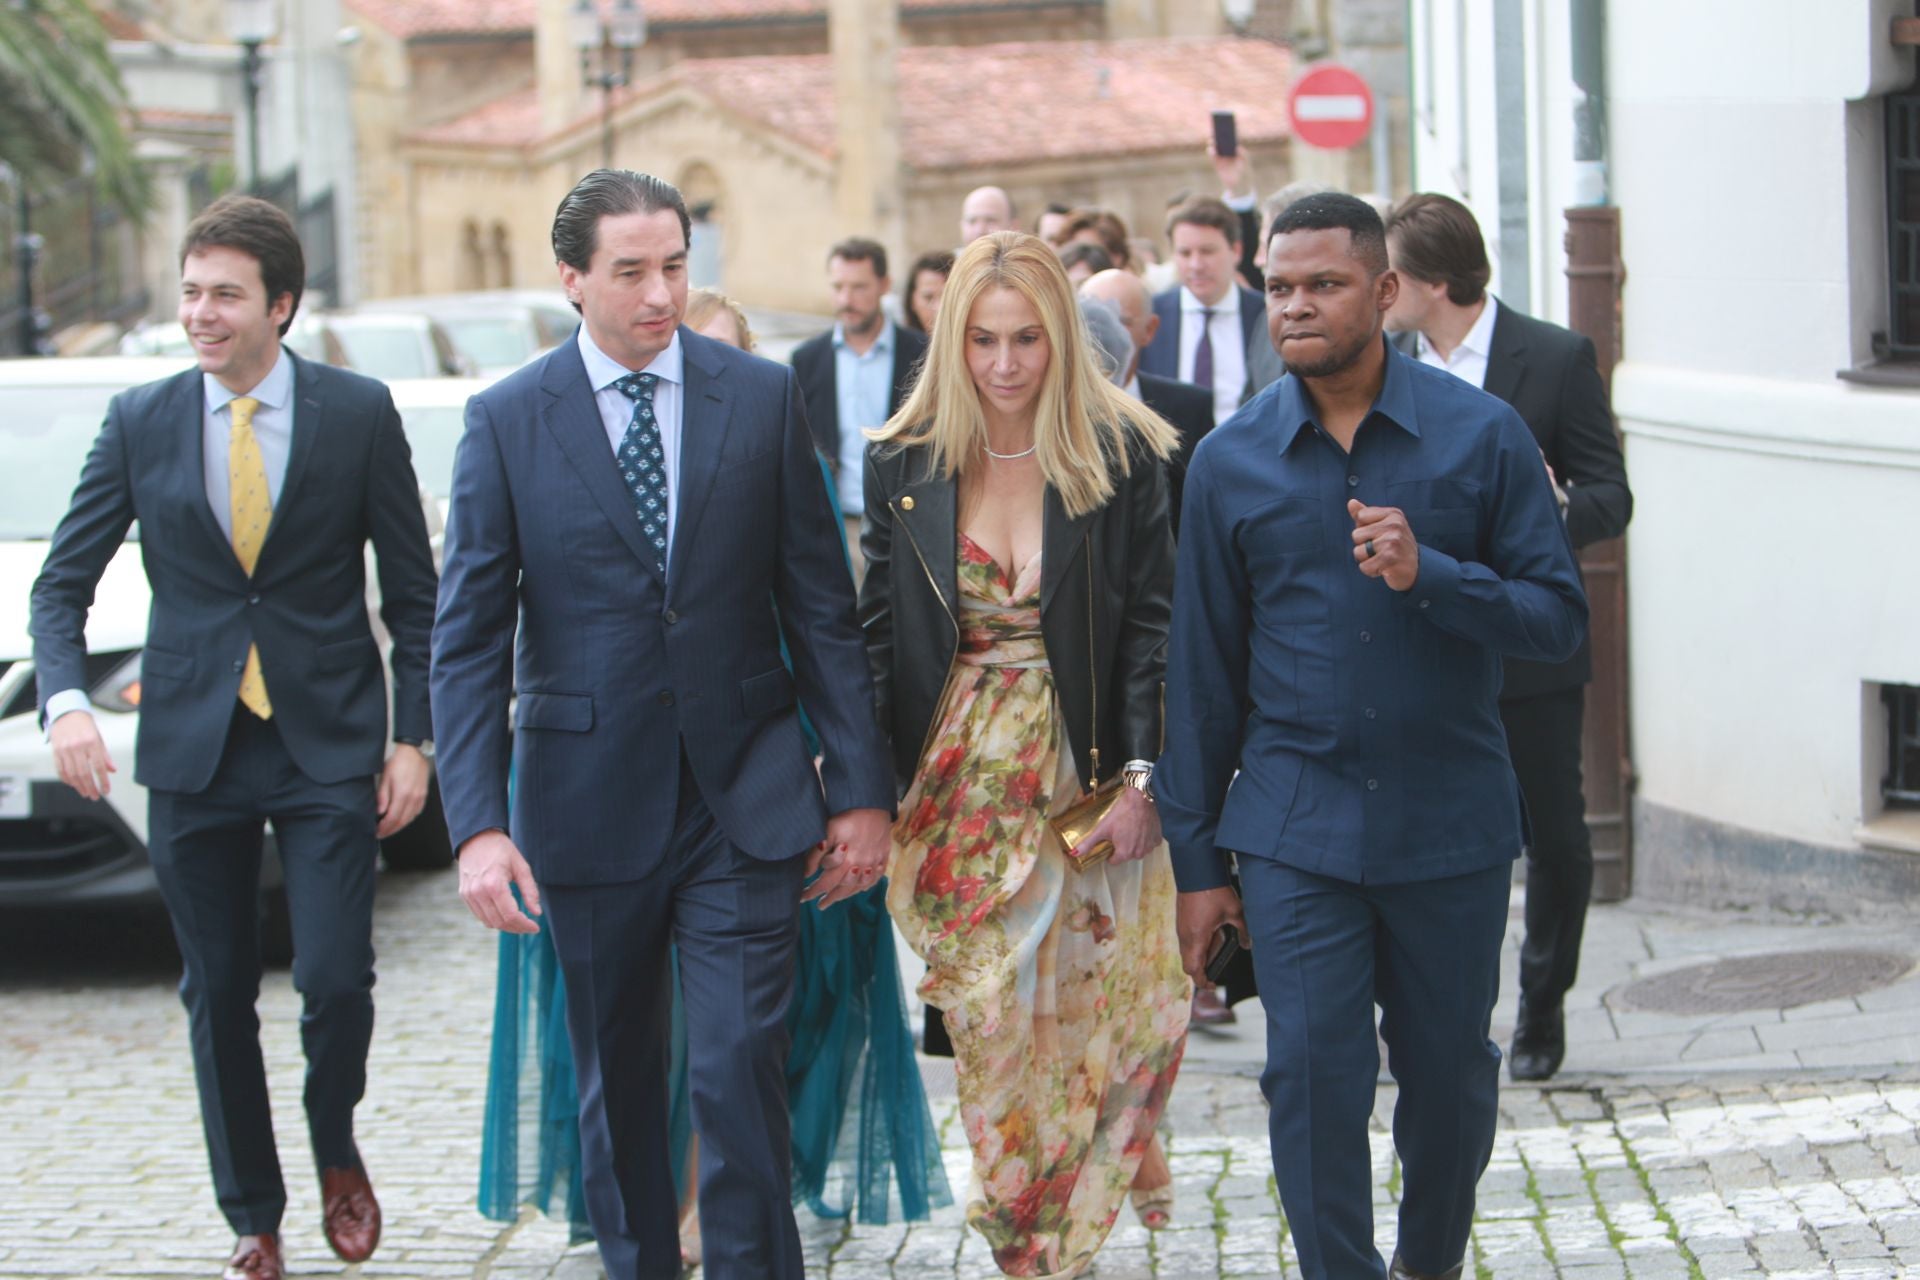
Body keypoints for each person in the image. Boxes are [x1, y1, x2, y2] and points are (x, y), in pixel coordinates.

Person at [432, 169, 897, 1280]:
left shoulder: (759, 392)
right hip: (583, 804)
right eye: (632, 271)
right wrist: (476, 825)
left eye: (675, 266)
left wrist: (863, 789)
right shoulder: (506, 420)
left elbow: (820, 606)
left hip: (747, 793)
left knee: (738, 1068)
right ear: (572, 279)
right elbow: (467, 637)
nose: (660, 293)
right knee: (619, 1081)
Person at [1156, 193, 1588, 1280]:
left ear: (1385, 292)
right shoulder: (1228, 460)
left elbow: (1557, 616)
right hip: (1297, 826)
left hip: (1450, 821)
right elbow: (1200, 676)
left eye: (1324, 284)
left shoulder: (1481, 435)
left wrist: (1430, 572)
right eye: (1280, 286)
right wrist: (1198, 865)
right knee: (1307, 1072)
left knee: (1449, 1076)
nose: (1294, 306)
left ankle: (1427, 1266)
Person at [29, 194, 438, 1280]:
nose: (199, 314)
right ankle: (253, 1217)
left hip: (328, 740)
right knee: (215, 989)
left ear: (281, 305)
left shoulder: (357, 413)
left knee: (339, 976)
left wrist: (417, 738)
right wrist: (66, 701)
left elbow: (416, 594)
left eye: (224, 294)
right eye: (190, 292)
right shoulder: (141, 418)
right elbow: (60, 584)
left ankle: (335, 1140)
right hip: (193, 749)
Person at [861, 231, 1192, 1276]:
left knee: (1092, 1009)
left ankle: (1054, 1247)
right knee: (994, 1021)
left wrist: (1143, 775)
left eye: (1028, 340)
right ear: (949, 338)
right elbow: (878, 632)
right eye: (982, 339)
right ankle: (1025, 1227)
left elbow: (1152, 624)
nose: (1004, 364)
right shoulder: (904, 458)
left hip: (1080, 773)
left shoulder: (1123, 453)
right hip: (955, 780)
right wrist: (866, 789)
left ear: (1064, 341)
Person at [1384, 192, 1632, 1082]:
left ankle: (1541, 1003)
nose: (1379, 293)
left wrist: (1547, 511)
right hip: (1418, 643)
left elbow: (1613, 494)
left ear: (1435, 283)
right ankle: (1422, 1013)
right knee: (1413, 837)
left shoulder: (1557, 359)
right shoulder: (1380, 367)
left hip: (1527, 650)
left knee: (1556, 841)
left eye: (1393, 278)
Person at [791, 237, 930, 580]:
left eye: (859, 287)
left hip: (907, 524)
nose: (845, 299)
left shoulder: (922, 353)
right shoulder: (806, 360)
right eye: (838, 287)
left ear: (885, 285)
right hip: (835, 526)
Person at [1078, 268, 1215, 533]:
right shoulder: (1047, 410)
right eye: (1091, 320)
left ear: (1149, 329)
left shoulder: (1190, 407)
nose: (1104, 335)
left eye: (1121, 321)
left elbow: (1202, 511)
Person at [1138, 197, 1272, 426]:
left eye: (1207, 251)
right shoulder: (1150, 318)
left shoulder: (1266, 315)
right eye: (1185, 253)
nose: (1196, 265)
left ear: (1236, 250)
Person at [899, 250, 955, 336]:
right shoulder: (895, 346)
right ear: (912, 301)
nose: (938, 308)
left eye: (947, 297)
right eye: (928, 297)